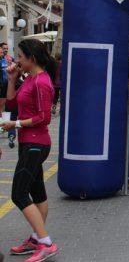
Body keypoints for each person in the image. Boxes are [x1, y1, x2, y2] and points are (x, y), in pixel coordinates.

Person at [0, 39, 58, 261]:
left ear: (31, 58)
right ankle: (37, 238)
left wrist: (14, 124)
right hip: (29, 143)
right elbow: (13, 104)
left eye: (20, 56)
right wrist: (12, 79)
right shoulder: (29, 79)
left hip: (37, 143)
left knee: (18, 193)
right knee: (38, 192)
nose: (16, 60)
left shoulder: (41, 82)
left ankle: (45, 242)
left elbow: (44, 118)